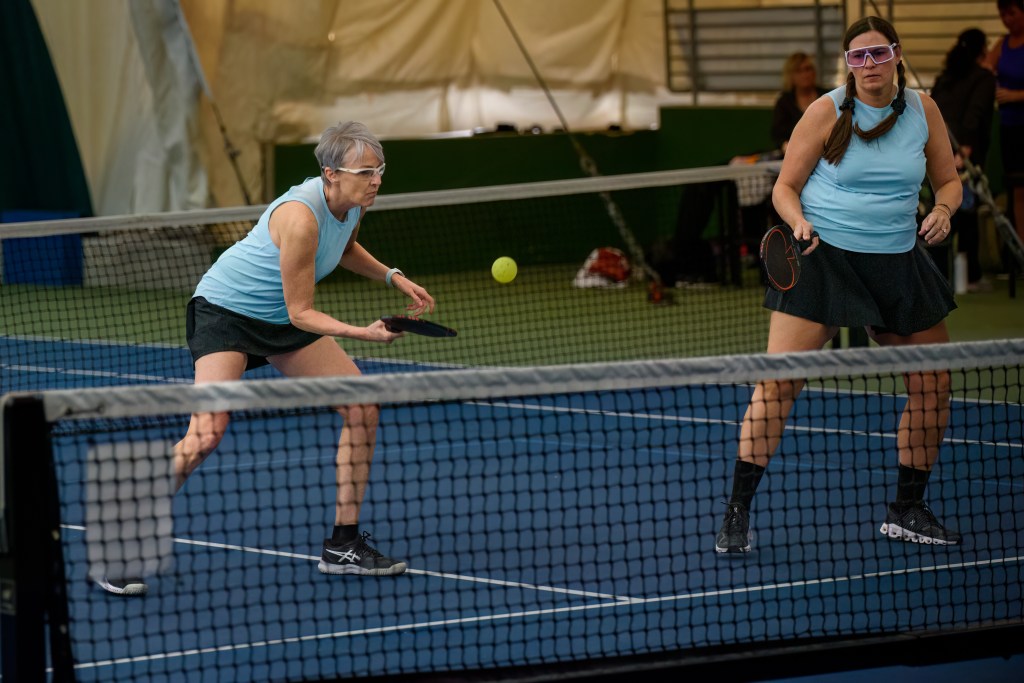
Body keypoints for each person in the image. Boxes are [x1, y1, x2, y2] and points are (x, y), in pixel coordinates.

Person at [96, 121, 435, 595]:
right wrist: (362, 332)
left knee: (362, 405)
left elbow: (343, 248)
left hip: (279, 317)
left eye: (380, 170)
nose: (376, 180)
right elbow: (302, 313)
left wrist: (393, 276)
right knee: (206, 434)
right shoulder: (300, 218)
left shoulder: (353, 204)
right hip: (225, 313)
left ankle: (343, 545)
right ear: (331, 173)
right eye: (365, 172)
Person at [714, 16, 963, 554]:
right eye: (858, 56)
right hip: (823, 260)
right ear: (847, 64)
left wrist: (944, 209)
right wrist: (798, 221)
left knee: (934, 384)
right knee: (778, 384)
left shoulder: (923, 109)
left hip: (898, 262)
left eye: (879, 54)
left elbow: (948, 180)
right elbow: (785, 187)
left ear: (897, 54)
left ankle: (907, 509)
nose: (869, 64)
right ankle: (736, 511)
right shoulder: (824, 111)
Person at [932, 29, 997, 291]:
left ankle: (944, 274)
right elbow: (976, 112)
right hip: (962, 153)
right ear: (981, 50)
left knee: (944, 211)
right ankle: (969, 276)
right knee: (965, 213)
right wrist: (966, 148)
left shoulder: (945, 78)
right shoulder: (983, 78)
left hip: (937, 152)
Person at [984, 0, 1024, 245]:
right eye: (1002, 14)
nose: (1007, 19)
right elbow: (985, 70)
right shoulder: (1002, 44)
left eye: (1012, 13)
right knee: (1016, 189)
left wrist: (1016, 95)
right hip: (1010, 128)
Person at [771, 52, 830, 155]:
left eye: (808, 69)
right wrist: (787, 147)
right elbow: (778, 134)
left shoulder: (827, 97)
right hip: (793, 154)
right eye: (799, 71)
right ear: (791, 76)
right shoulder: (784, 102)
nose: (805, 74)